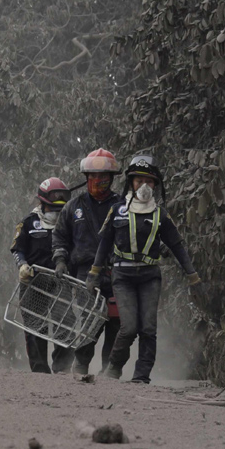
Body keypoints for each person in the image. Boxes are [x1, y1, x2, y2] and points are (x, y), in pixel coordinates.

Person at [89, 155, 200, 384]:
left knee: (148, 328)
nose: (144, 186)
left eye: (149, 181)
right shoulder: (117, 210)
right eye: (139, 181)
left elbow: (177, 246)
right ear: (131, 183)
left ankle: (142, 376)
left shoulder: (160, 214)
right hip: (123, 275)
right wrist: (93, 273)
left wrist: (193, 277)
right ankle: (113, 370)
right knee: (128, 328)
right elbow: (104, 243)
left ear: (155, 185)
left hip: (150, 276)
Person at [52, 149, 124, 374]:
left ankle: (111, 370)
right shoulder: (73, 207)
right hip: (85, 273)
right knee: (89, 320)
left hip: (117, 272)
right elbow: (60, 237)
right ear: (86, 178)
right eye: (92, 176)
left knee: (116, 323)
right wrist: (61, 261)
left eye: (102, 176)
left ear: (111, 178)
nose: (97, 181)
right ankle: (81, 365)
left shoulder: (123, 206)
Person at [11, 177, 72, 373]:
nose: (57, 212)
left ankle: (62, 368)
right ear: (43, 201)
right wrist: (22, 265)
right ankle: (39, 371)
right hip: (34, 280)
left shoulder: (69, 223)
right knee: (34, 326)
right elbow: (17, 249)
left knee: (65, 321)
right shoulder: (28, 223)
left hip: (61, 280)